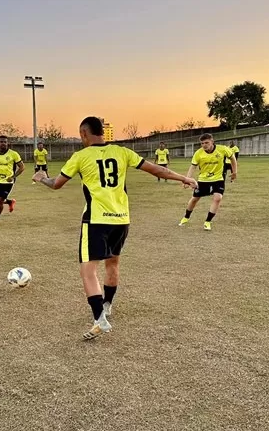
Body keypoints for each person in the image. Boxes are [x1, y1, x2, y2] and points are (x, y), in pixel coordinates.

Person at [33, 117, 197, 340]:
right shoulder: (122, 152)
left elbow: (56, 184)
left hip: (96, 220)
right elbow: (157, 170)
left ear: (83, 133)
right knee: (113, 263)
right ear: (103, 132)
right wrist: (183, 178)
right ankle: (107, 305)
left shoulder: (80, 156)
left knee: (88, 270)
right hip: (121, 219)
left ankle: (100, 319)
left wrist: (42, 177)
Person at [179, 135, 236, 230]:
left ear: (212, 141)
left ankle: (208, 221)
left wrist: (235, 172)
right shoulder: (198, 153)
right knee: (194, 199)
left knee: (218, 198)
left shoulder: (222, 149)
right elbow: (192, 167)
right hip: (203, 179)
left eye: (206, 143)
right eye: (202, 143)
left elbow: (232, 158)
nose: (204, 145)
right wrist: (186, 180)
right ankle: (186, 217)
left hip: (218, 179)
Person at [0, 136, 24, 228]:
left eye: (5, 142)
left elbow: (22, 167)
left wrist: (13, 177)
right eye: (1, 141)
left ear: (8, 144)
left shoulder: (13, 154)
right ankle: (10, 202)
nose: (3, 143)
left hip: (8, 182)